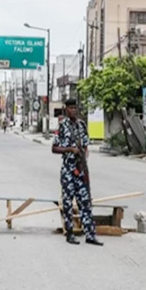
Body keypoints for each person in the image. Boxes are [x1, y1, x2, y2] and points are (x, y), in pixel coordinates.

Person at [51, 99, 103, 246]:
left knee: (85, 203)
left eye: (75, 108)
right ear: (66, 109)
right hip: (68, 169)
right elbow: (54, 148)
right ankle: (70, 233)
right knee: (68, 203)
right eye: (70, 108)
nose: (73, 110)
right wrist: (69, 150)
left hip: (81, 170)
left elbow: (85, 145)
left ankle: (90, 235)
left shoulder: (82, 125)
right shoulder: (62, 126)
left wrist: (83, 155)